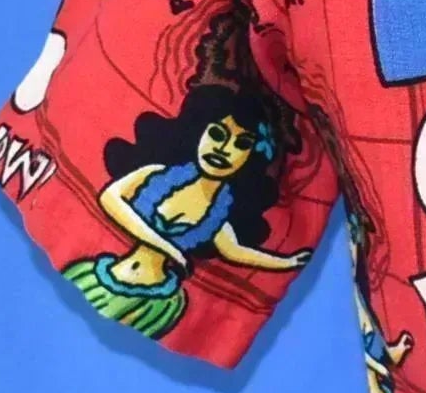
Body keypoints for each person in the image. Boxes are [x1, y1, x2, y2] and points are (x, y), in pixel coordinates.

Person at [62, 79, 308, 339]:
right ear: (198, 130)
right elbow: (110, 199)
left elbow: (237, 252)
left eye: (242, 144)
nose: (224, 150)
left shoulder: (217, 218)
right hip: (99, 276)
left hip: (155, 303)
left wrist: (288, 262)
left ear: (251, 157)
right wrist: (171, 251)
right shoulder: (155, 175)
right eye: (217, 135)